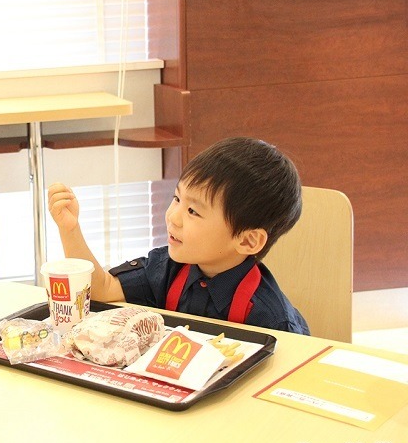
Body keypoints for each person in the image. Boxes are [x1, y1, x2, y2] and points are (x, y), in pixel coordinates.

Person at [48, 136, 309, 336]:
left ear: (247, 241)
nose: (173, 217)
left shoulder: (274, 321)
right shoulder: (168, 269)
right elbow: (101, 289)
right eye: (177, 198)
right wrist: (70, 229)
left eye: (193, 211)